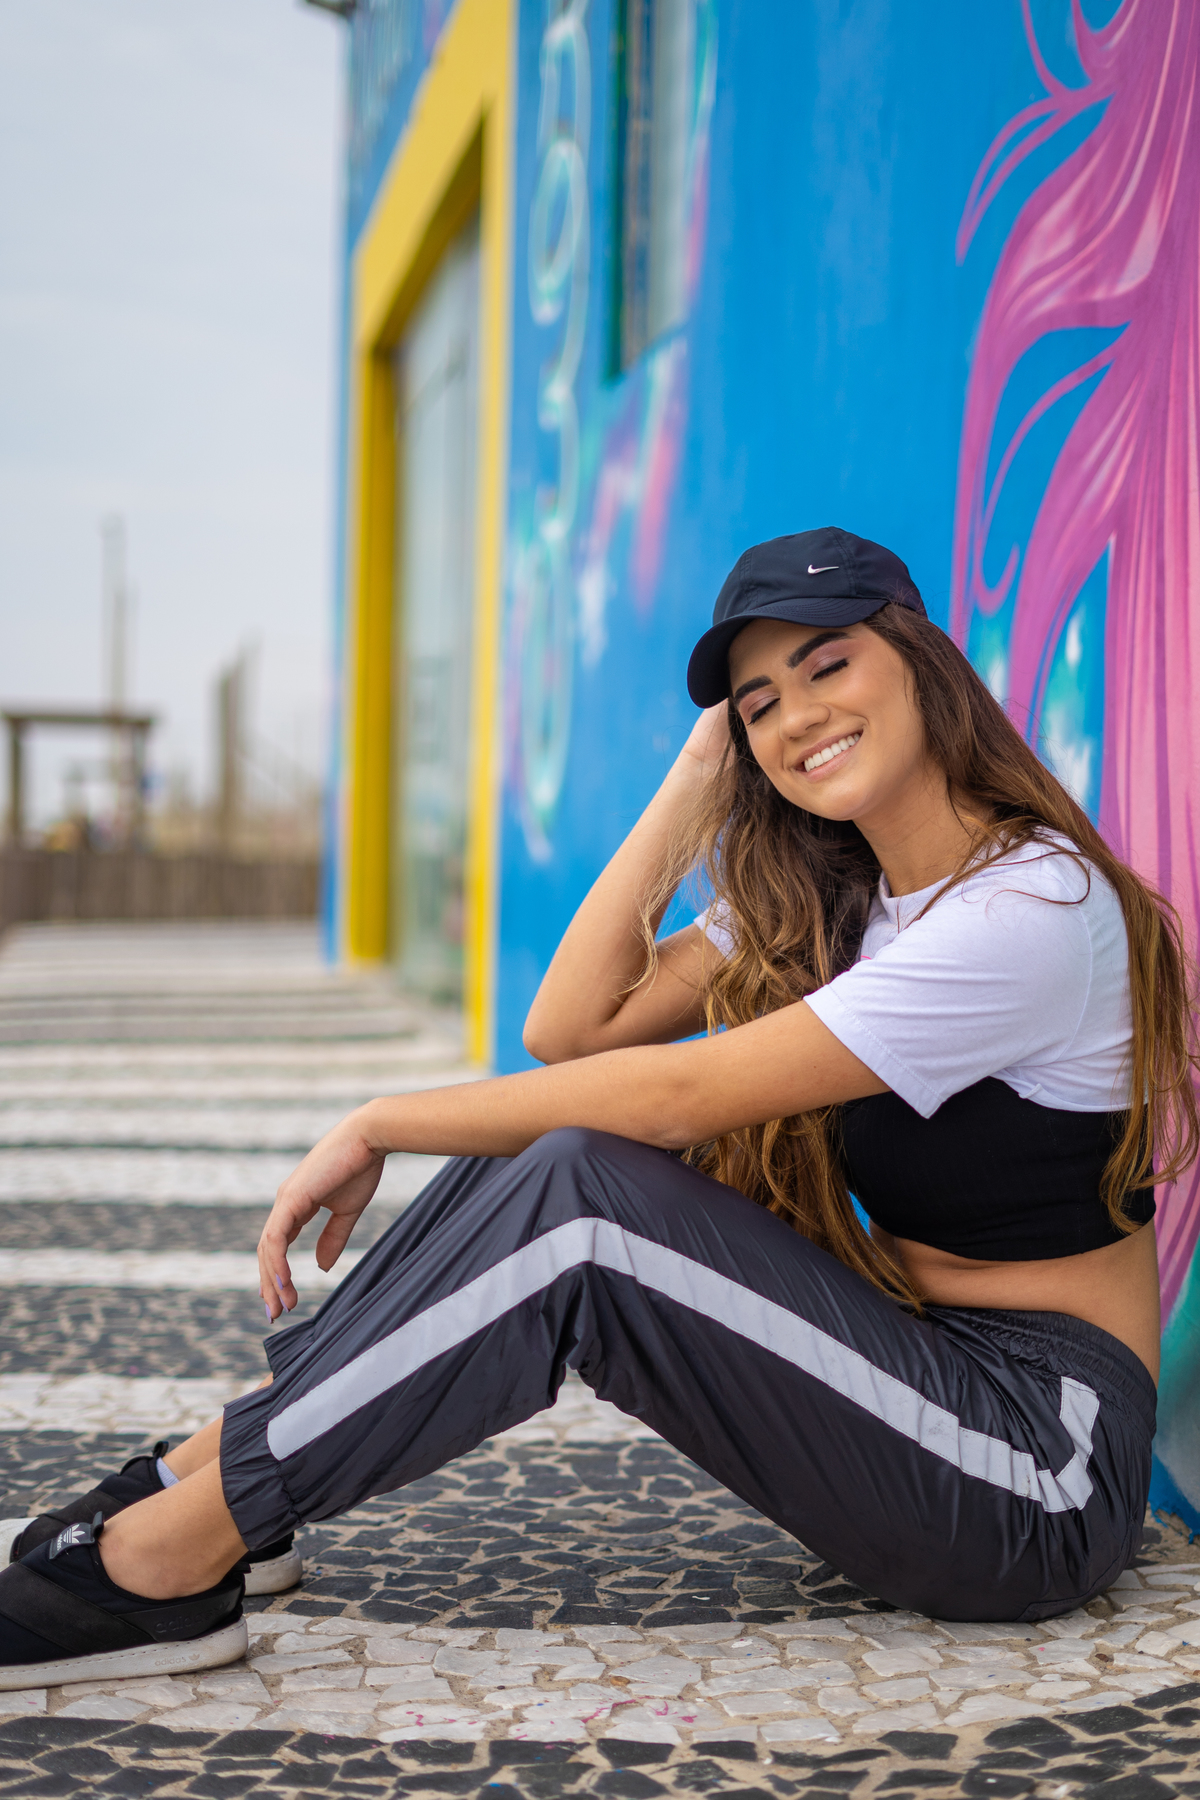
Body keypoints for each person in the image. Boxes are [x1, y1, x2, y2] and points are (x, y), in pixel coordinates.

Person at [2, 526, 1194, 1688]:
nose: (799, 716)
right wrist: (699, 777)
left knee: (582, 1203)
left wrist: (378, 1121)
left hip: (1037, 1467)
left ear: (922, 667)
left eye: (828, 665)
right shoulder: (842, 896)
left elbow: (674, 1096)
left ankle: (173, 1555)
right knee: (550, 1144)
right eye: (759, 704)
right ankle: (215, 1481)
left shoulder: (1029, 911)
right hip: (923, 1372)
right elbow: (572, 1030)